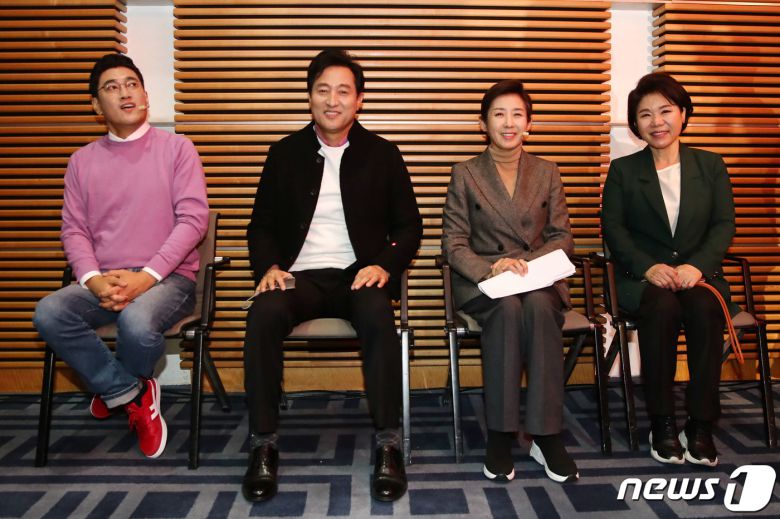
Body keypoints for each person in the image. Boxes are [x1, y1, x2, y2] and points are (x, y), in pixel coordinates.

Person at [241, 49, 422, 503]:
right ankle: (263, 443)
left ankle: (388, 444)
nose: (332, 100)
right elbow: (260, 226)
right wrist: (269, 268)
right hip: (298, 277)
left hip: (358, 276)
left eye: (343, 91)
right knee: (262, 314)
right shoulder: (284, 153)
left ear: (359, 100)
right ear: (309, 97)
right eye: (323, 90)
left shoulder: (383, 154)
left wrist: (383, 264)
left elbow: (409, 226)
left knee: (378, 316)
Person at [32, 54, 209, 459]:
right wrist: (95, 281)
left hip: (168, 280)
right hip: (106, 279)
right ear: (97, 105)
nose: (125, 93)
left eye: (131, 84)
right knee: (49, 312)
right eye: (111, 87)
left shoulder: (177, 149)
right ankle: (129, 392)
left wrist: (145, 277)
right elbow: (74, 230)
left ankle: (113, 388)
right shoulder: (81, 162)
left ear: (145, 95)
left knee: (136, 320)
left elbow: (193, 221)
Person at [442, 80, 579, 483]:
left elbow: (562, 237)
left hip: (537, 278)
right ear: (483, 124)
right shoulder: (465, 173)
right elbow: (453, 242)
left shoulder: (547, 171)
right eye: (499, 114)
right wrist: (492, 268)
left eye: (517, 114)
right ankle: (500, 436)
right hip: (487, 282)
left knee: (537, 306)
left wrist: (523, 264)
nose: (508, 122)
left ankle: (546, 435)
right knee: (506, 308)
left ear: (529, 124)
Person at [601, 72, 736, 467]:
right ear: (635, 123)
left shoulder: (710, 165)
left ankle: (700, 424)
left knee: (704, 309)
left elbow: (724, 224)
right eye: (645, 114)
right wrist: (648, 267)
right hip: (642, 280)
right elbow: (613, 229)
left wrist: (698, 266)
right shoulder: (624, 170)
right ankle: (661, 422)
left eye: (665, 111)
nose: (656, 122)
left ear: (683, 114)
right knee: (661, 308)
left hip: (699, 277)